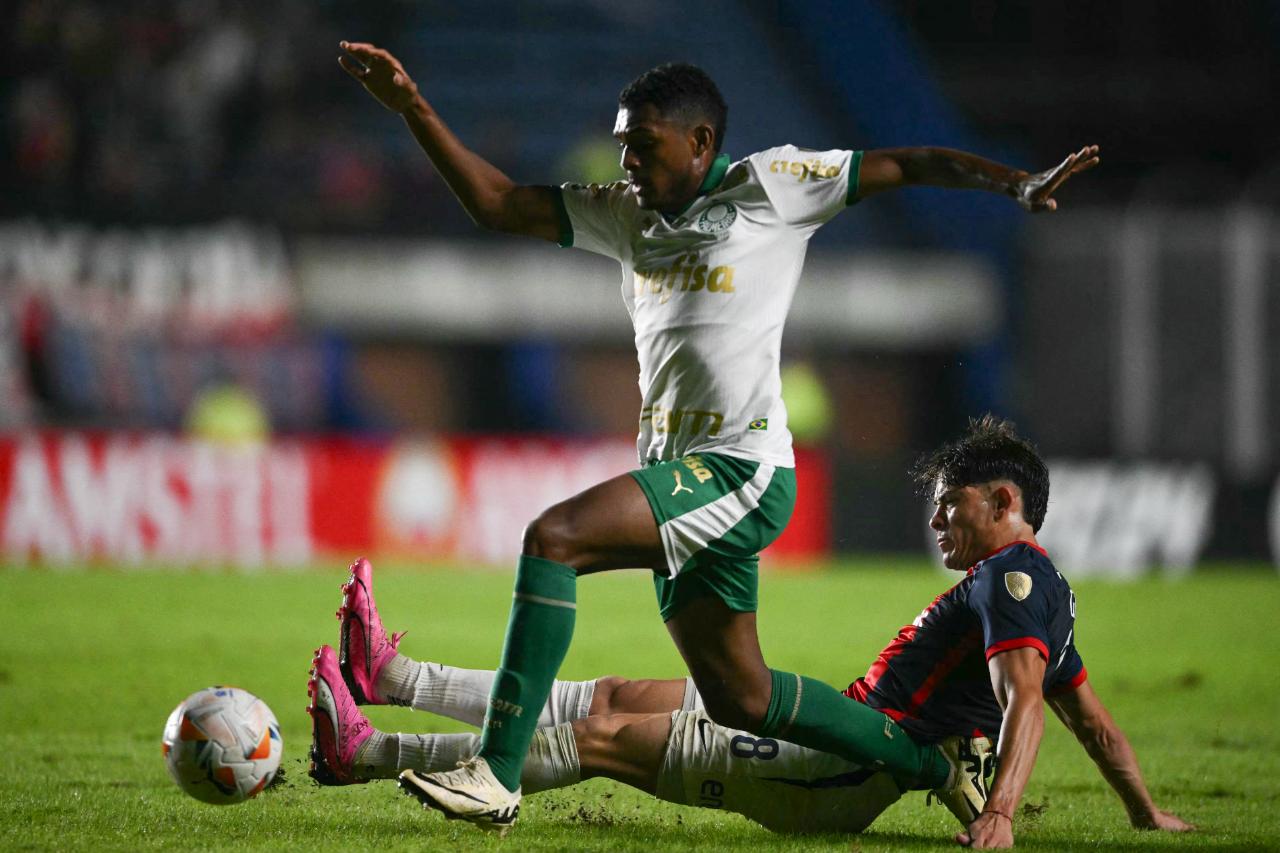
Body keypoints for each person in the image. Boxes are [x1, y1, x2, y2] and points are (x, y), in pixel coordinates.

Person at [333, 39, 1102, 834]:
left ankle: (494, 773)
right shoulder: (624, 213)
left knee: (554, 536)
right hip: (681, 473)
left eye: (644, 144)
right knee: (745, 696)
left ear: (700, 144)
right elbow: (496, 203)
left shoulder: (771, 188)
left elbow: (905, 164)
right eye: (623, 142)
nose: (626, 159)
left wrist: (1013, 182)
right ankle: (936, 764)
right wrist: (412, 107)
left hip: (740, 471)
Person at [307, 416, 1195, 846]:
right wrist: (1144, 811)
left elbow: (1029, 701)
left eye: (950, 507)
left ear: (1006, 502)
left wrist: (1000, 811)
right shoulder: (1041, 594)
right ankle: (393, 681)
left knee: (601, 736)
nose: (938, 526)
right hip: (834, 731)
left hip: (834, 769)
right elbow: (1095, 721)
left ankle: (366, 754)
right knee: (615, 693)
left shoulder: (1011, 576)